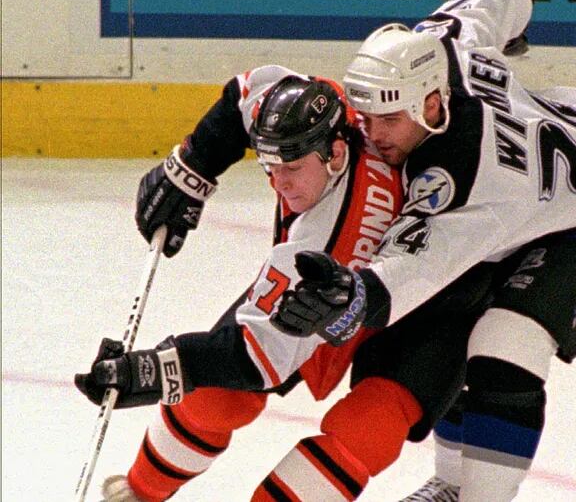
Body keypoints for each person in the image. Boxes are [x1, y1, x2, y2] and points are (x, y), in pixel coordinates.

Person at [270, 0, 576, 500]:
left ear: (431, 105)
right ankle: (453, 483)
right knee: (454, 317)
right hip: (562, 163)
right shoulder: (443, 48)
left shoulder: (466, 186)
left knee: (505, 341)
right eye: (365, 117)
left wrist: (350, 296)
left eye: (389, 120)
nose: (372, 135)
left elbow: (405, 276)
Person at [75, 65, 492, 501]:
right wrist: (192, 167)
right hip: (357, 277)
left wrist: (148, 371)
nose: (279, 182)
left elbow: (256, 359)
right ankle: (140, 492)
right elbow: (245, 94)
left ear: (335, 154)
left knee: (368, 425)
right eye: (269, 166)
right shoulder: (321, 115)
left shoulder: (329, 238)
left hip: (440, 295)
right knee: (216, 396)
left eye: (291, 167)